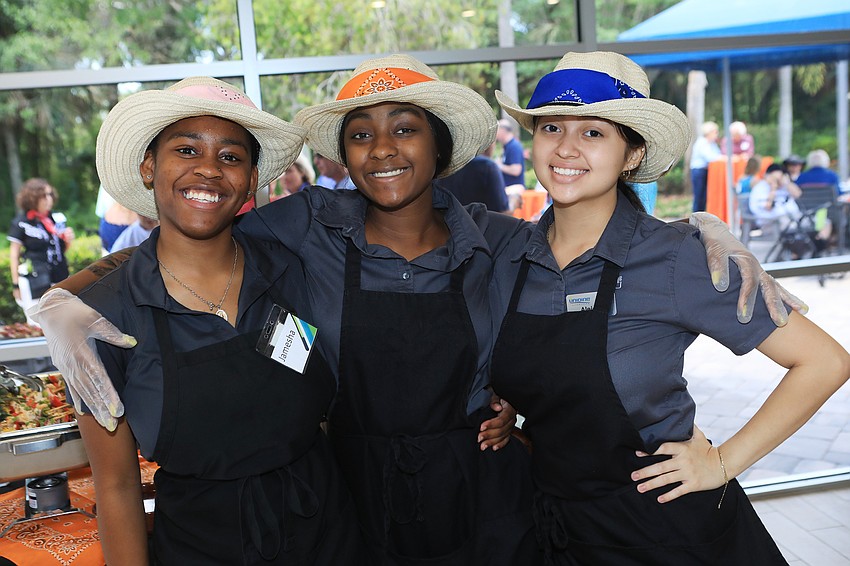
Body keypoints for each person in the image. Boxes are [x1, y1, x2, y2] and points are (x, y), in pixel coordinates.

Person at [31, 55, 805, 566]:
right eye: (361, 135)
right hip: (357, 497)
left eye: (405, 129)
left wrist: (691, 227)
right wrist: (67, 295)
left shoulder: (504, 242)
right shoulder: (305, 230)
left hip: (486, 490)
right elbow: (191, 233)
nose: (383, 149)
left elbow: (592, 258)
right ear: (342, 156)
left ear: (440, 149)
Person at [490, 50, 849, 565]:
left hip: (666, 530)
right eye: (551, 127)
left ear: (631, 154)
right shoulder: (510, 253)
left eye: (593, 132)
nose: (566, 148)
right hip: (558, 528)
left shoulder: (676, 255)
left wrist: (722, 462)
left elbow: (825, 362)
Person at [33, 77, 365, 565]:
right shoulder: (100, 321)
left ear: (251, 180)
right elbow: (118, 484)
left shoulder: (292, 269)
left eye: (230, 157)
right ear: (149, 167)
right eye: (186, 150)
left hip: (327, 534)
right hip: (198, 546)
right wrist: (56, 302)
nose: (209, 169)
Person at [7, 178, 74, 322]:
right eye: (44, 196)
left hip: (58, 276)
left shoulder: (55, 218)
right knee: (38, 323)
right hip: (35, 279)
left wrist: (68, 241)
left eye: (50, 195)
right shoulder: (22, 222)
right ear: (32, 198)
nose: (48, 200)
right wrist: (15, 285)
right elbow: (14, 255)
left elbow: (61, 251)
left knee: (62, 321)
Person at [437, 142, 509, 212]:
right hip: (482, 223)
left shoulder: (441, 166)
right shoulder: (488, 166)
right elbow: (503, 212)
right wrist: (513, 202)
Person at [749, 163, 802, 230]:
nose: (778, 180)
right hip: (769, 221)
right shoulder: (760, 188)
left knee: (803, 221)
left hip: (789, 216)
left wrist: (787, 182)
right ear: (767, 176)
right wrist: (773, 187)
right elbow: (768, 206)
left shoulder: (783, 186)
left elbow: (798, 194)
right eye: (775, 178)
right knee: (787, 223)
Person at [689, 121, 721, 212]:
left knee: (704, 197)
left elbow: (718, 154)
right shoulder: (702, 143)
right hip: (699, 171)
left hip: (706, 171)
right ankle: (696, 217)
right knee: (699, 196)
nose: (716, 134)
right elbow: (710, 157)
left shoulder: (712, 143)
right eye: (715, 132)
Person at [495, 118, 526, 193]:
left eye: (497, 130)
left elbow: (516, 170)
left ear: (503, 130)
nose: (496, 134)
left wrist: (499, 166)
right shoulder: (506, 146)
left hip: (514, 192)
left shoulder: (514, 146)